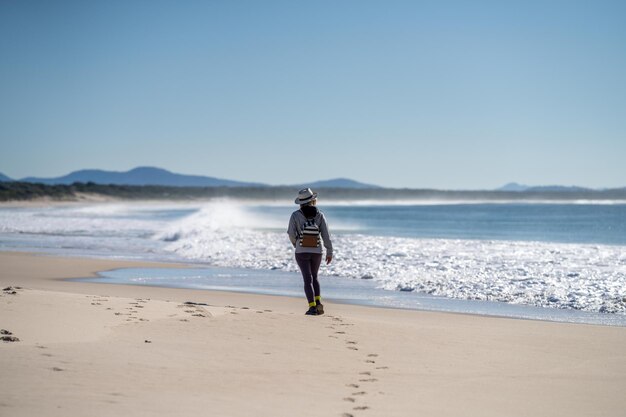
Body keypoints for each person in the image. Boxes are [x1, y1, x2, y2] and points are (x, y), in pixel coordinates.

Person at [287, 188, 333, 316]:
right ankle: (318, 303)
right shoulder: (320, 215)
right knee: (315, 277)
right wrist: (329, 251)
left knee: (307, 279)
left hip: (301, 251)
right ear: (313, 200)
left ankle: (312, 307)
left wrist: (297, 244)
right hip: (317, 251)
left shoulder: (295, 215)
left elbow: (291, 234)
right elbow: (326, 235)